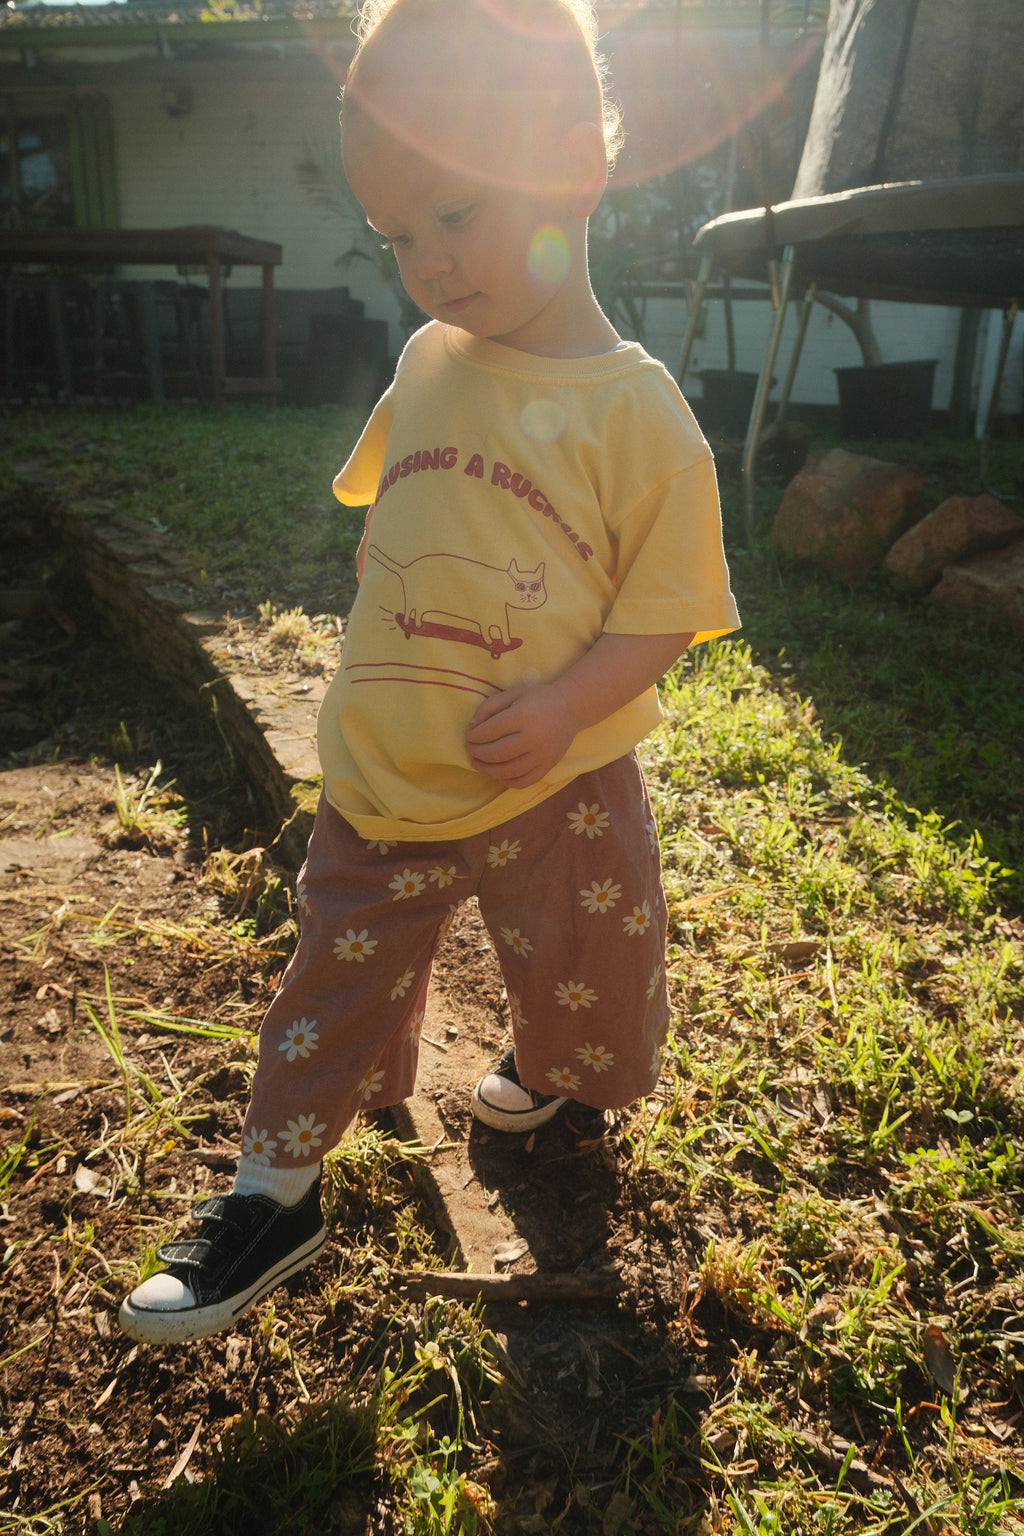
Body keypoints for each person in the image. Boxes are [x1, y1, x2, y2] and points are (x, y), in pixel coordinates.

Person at [118, 0, 739, 1346]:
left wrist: (572, 701)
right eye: (396, 235)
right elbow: (402, 508)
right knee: (329, 972)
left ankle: (559, 1076)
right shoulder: (425, 358)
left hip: (553, 773)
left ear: (576, 159)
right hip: (386, 769)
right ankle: (272, 1194)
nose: (427, 265)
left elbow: (672, 609)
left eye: (453, 216)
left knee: (584, 954)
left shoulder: (640, 416)